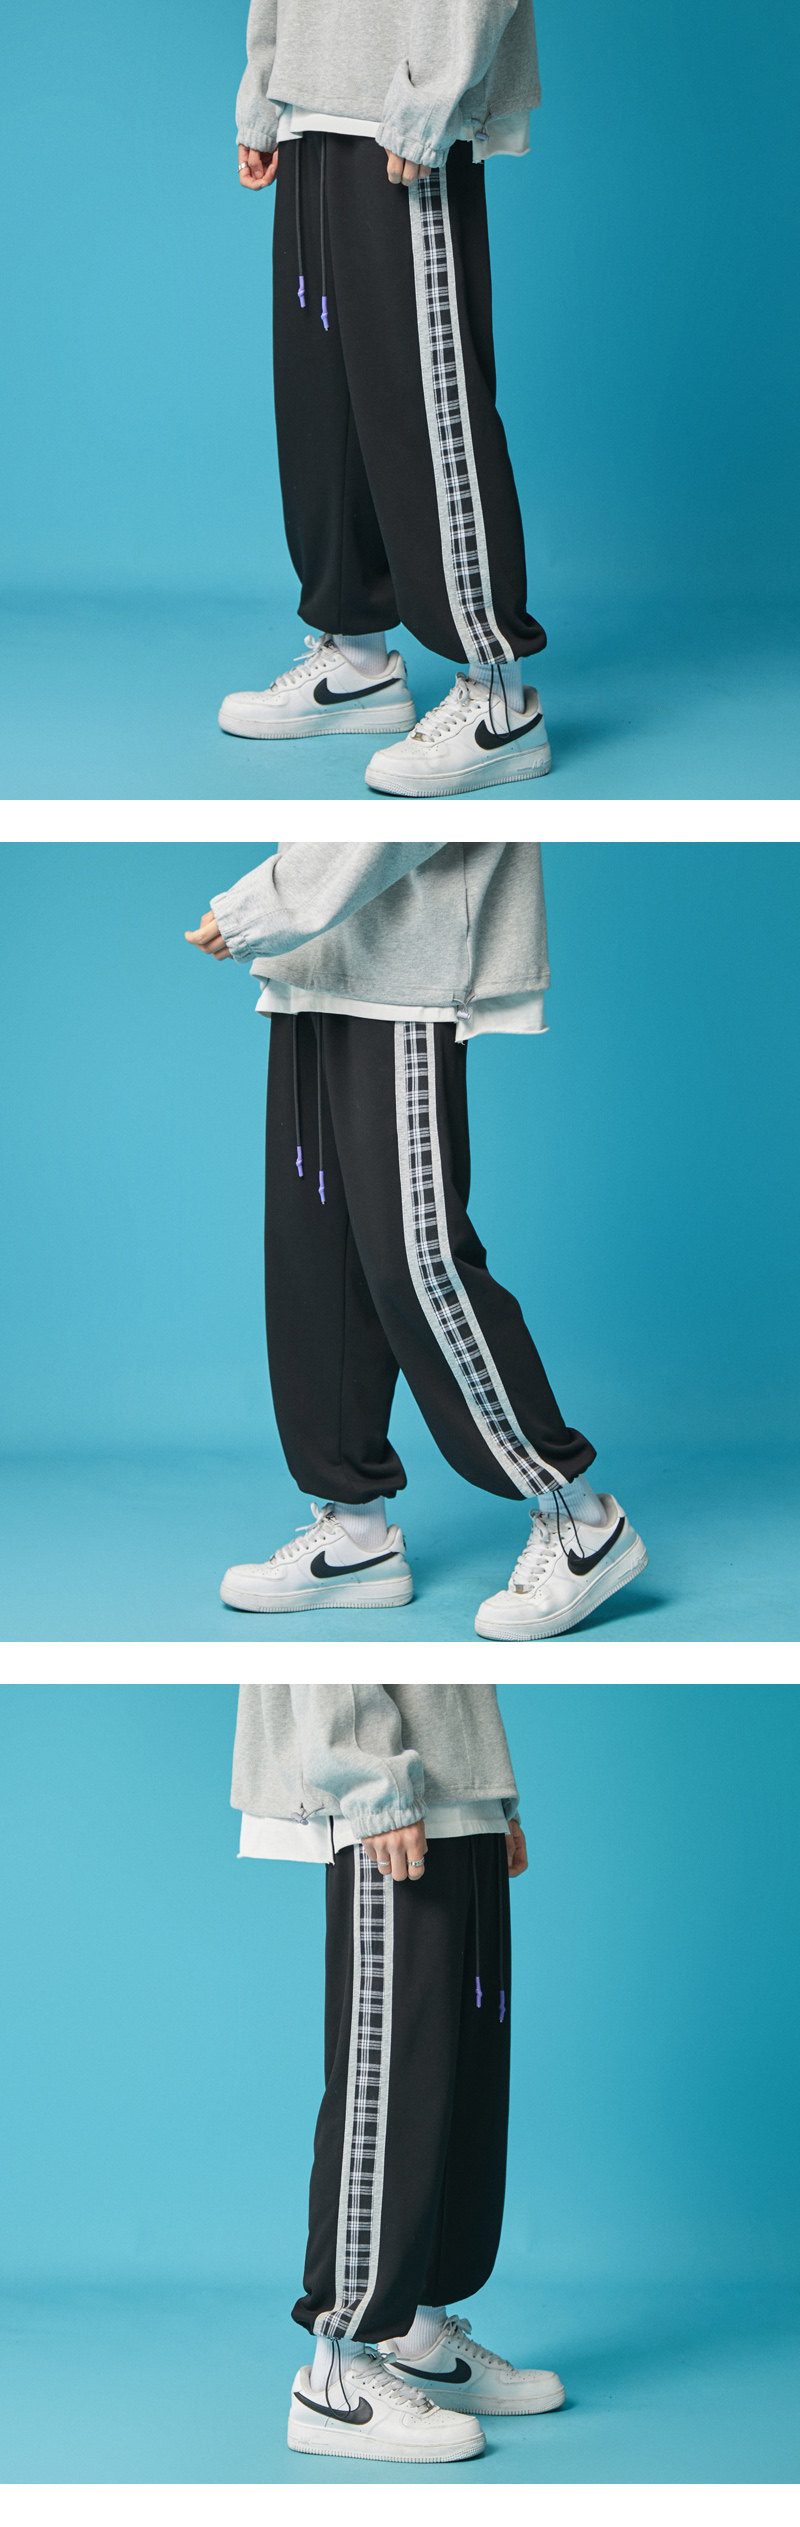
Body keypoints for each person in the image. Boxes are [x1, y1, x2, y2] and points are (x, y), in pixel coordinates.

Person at [186, 840, 647, 1638]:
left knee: (416, 1259)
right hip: (316, 960)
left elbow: (412, 818)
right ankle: (355, 1530)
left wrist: (266, 904)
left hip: (403, 960)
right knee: (315, 1253)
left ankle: (581, 1519)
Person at [220, 0, 553, 798]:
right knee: (323, 400)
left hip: (400, 105)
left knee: (425, 404)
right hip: (311, 102)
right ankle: (358, 660)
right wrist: (264, 90)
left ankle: (499, 696)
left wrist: (433, 93)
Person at [233, 1680, 567, 2462]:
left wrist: (496, 1798)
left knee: (459, 2075)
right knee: (389, 2083)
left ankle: (416, 2338)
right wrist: (370, 1781)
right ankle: (337, 2372)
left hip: (456, 1786)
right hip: (387, 1786)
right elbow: (336, 1646)